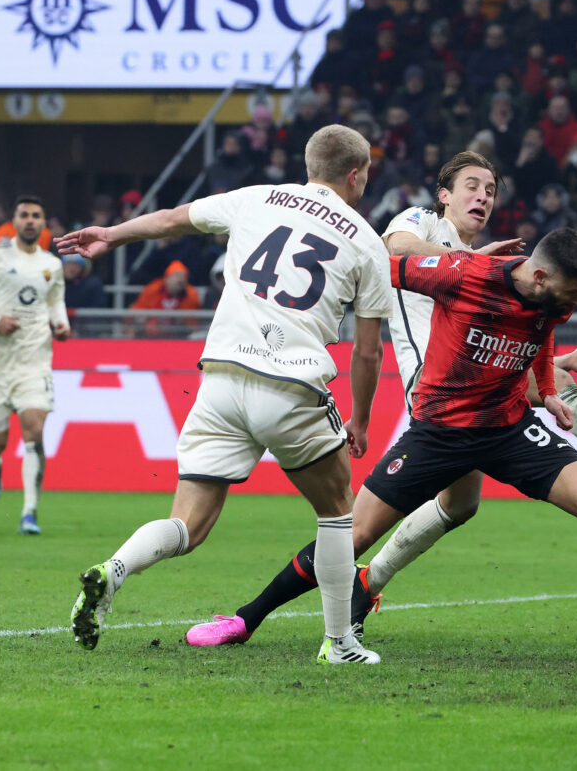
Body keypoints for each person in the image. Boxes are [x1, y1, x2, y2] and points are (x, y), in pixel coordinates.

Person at [186, 151, 577, 648]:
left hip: (508, 428)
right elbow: (383, 261)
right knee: (349, 534)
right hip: (439, 424)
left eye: (490, 188)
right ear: (444, 193)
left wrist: (551, 391)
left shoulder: (551, 293)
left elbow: (541, 332)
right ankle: (245, 618)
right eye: (472, 185)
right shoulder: (447, 255)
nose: (483, 196)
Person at [55, 125, 392, 665]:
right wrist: (362, 418)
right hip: (291, 384)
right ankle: (339, 643)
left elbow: (169, 220)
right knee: (337, 514)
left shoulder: (256, 199)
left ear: (310, 165)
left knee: (187, 525)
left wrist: (111, 235)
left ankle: (112, 571)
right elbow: (368, 352)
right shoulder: (367, 241)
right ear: (355, 175)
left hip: (220, 380)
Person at [0, 195, 69, 534]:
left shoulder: (53, 264)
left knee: (35, 429)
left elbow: (56, 299)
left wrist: (60, 322)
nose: (31, 220)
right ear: (14, 221)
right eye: (25, 215)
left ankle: (29, 511)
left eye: (37, 215)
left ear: (43, 222)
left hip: (34, 360)